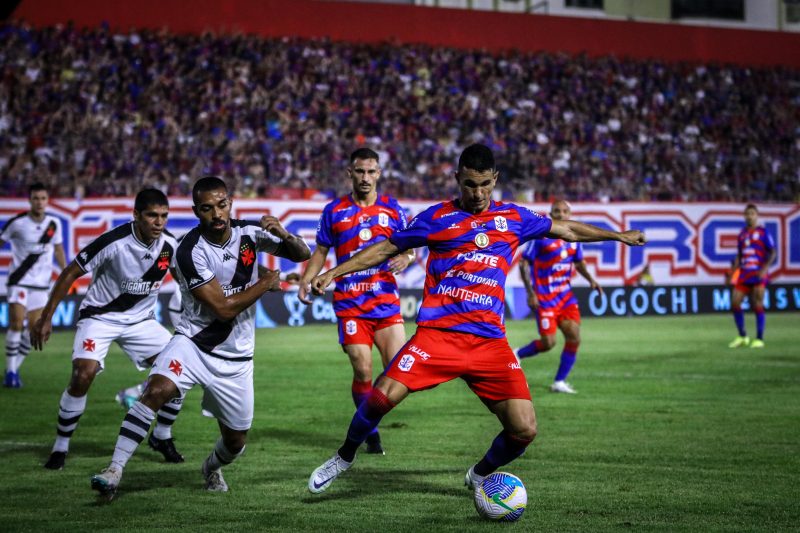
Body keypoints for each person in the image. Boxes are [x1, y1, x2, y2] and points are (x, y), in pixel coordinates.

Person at [306, 144, 646, 494]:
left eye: (485, 184)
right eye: (470, 184)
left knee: (525, 430)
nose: (478, 193)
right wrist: (334, 271)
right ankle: (344, 457)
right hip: (438, 337)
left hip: (489, 342)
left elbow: (567, 230)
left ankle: (480, 474)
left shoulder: (513, 218)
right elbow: (384, 249)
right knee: (379, 397)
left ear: (495, 179)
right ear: (457, 179)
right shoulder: (436, 218)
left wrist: (618, 236)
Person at [90, 176, 310, 498]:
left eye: (222, 205)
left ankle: (210, 468)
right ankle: (114, 470)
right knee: (156, 389)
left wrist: (283, 233)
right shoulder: (189, 250)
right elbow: (222, 309)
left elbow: (302, 254)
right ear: (196, 211)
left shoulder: (250, 233)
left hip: (237, 356)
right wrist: (265, 284)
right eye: (207, 209)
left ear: (230, 202)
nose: (217, 214)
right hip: (194, 343)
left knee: (236, 442)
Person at [31, 189, 186, 470]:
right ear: (136, 215)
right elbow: (71, 272)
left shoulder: (169, 245)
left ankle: (162, 436)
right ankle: (60, 447)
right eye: (152, 215)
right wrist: (46, 316)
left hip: (141, 322)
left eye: (164, 216)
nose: (159, 222)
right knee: (83, 373)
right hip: (100, 318)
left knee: (180, 369)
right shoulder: (113, 242)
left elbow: (183, 279)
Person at [298, 148, 415, 455]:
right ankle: (371, 433)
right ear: (350, 173)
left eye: (371, 172)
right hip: (351, 305)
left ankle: (366, 416)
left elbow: (410, 243)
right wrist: (305, 279)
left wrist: (407, 256)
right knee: (363, 371)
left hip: (386, 302)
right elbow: (321, 251)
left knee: (398, 371)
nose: (365, 178)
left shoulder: (393, 208)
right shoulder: (334, 210)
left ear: (379, 174)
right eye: (360, 172)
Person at [515, 200, 602, 395]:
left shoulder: (573, 239)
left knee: (574, 336)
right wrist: (531, 293)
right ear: (551, 214)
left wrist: (591, 280)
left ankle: (559, 381)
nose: (561, 214)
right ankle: (518, 354)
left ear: (569, 214)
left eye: (564, 211)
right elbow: (523, 264)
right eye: (557, 211)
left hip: (565, 298)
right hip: (545, 299)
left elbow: (578, 264)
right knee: (548, 343)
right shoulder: (540, 238)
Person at [0, 183, 67, 388]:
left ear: (47, 201)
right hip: (19, 280)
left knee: (35, 331)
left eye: (43, 198)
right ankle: (11, 373)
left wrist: (66, 274)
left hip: (41, 285)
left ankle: (13, 368)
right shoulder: (17, 223)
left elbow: (58, 250)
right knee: (17, 323)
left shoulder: (54, 224)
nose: (39, 202)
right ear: (29, 200)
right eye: (36, 198)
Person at [728, 204, 776, 349]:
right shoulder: (742, 234)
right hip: (744, 273)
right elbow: (740, 255)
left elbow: (773, 252)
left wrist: (764, 269)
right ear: (744, 216)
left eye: (752, 213)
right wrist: (732, 272)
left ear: (757, 215)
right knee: (735, 302)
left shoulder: (763, 232)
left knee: (757, 304)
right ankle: (742, 336)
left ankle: (759, 338)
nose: (749, 216)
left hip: (758, 273)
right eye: (747, 213)